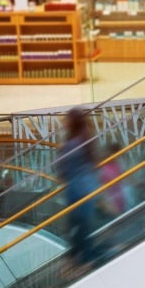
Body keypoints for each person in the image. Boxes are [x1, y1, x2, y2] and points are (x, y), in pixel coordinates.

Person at [55, 107, 100, 273]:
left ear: (72, 122)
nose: (64, 122)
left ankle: (80, 261)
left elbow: (61, 168)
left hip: (76, 190)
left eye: (66, 119)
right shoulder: (86, 140)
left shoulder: (71, 145)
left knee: (77, 227)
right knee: (81, 226)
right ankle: (76, 260)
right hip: (88, 189)